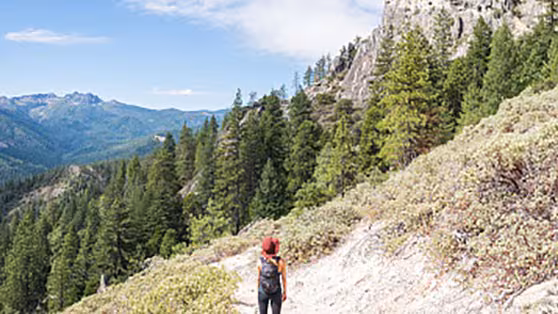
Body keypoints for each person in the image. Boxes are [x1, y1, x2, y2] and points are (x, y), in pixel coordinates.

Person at [257, 237, 287, 314]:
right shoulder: (280, 262)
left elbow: (258, 278)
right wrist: (284, 292)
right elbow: (284, 278)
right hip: (276, 291)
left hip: (263, 291)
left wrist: (259, 290)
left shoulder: (260, 262)